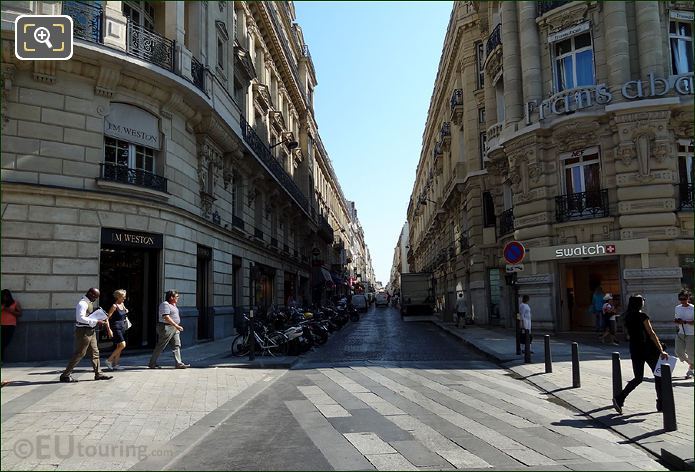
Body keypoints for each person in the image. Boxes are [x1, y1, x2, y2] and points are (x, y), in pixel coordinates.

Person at [612, 295, 669, 414]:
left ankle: (620, 398)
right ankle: (661, 403)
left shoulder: (627, 317)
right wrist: (661, 350)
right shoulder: (642, 316)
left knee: (638, 377)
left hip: (635, 349)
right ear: (639, 303)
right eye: (643, 300)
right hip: (647, 349)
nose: (644, 302)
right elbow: (651, 333)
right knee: (658, 375)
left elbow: (629, 334)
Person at [60, 288, 113, 383]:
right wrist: (97, 321)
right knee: (80, 353)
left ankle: (98, 374)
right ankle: (65, 375)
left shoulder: (88, 303)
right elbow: (80, 318)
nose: (96, 299)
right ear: (90, 294)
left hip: (91, 330)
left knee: (95, 352)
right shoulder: (82, 303)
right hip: (83, 331)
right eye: (95, 296)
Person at [148, 290, 190, 369]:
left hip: (174, 327)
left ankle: (179, 363)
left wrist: (176, 326)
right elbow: (166, 317)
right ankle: (152, 363)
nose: (178, 298)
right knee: (161, 345)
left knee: (176, 345)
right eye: (177, 296)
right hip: (166, 327)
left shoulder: (173, 305)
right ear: (171, 297)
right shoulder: (165, 304)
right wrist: (176, 325)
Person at [105, 289, 129, 371]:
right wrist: (109, 330)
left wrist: (126, 311)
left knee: (119, 346)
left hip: (122, 326)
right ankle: (109, 360)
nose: (124, 298)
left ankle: (116, 364)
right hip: (116, 327)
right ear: (118, 297)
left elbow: (125, 311)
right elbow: (107, 318)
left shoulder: (122, 304)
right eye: (123, 297)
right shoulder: (114, 306)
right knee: (123, 345)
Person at [674, 289, 694, 380]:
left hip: (691, 333)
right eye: (680, 299)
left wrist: (685, 322)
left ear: (688, 298)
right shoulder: (677, 308)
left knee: (691, 353)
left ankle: (691, 368)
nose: (682, 301)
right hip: (680, 332)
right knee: (678, 351)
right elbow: (676, 318)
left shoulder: (693, 308)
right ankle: (692, 364)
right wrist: (677, 321)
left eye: (684, 298)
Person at [1, 289, 22, 361]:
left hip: (10, 325)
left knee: (5, 342)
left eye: (6, 296)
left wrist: (10, 310)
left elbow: (19, 314)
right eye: (3, 297)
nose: (5, 298)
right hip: (1, 325)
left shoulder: (15, 303)